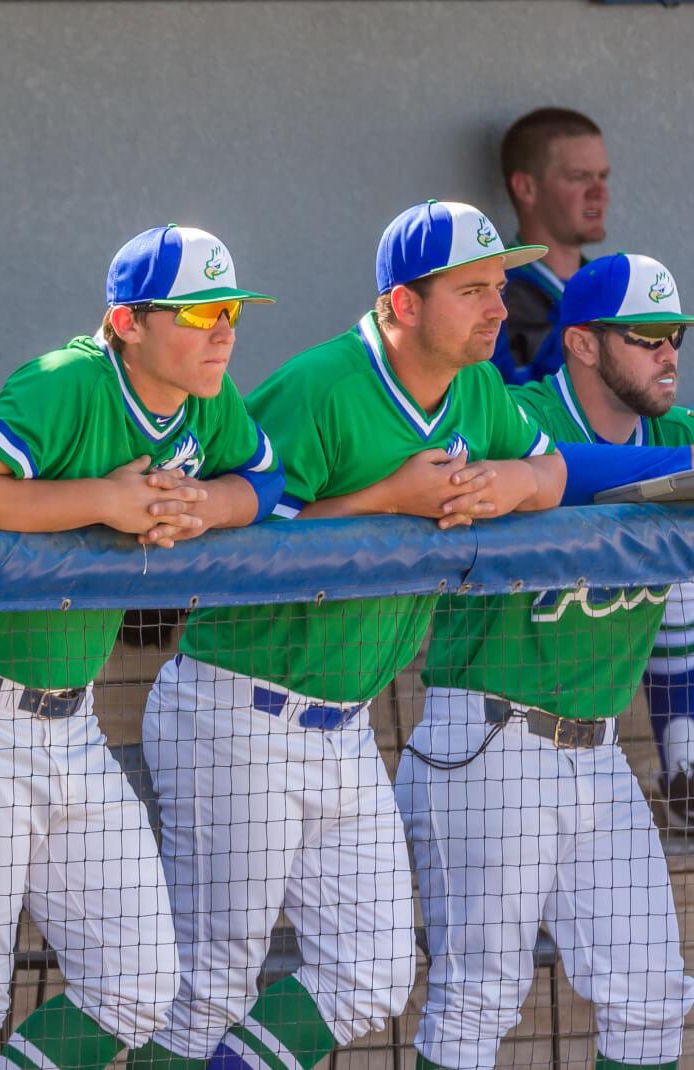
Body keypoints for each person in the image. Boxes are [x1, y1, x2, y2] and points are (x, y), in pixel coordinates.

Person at [131, 201, 567, 1070]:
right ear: (403, 305)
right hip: (237, 712)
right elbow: (233, 541)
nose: (497, 307)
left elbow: (553, 467)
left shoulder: (478, 384)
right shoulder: (321, 384)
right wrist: (388, 499)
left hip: (347, 724)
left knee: (371, 977)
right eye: (473, 289)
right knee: (209, 982)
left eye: (501, 286)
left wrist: (508, 481)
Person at [0, 225, 282, 1070]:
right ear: (127, 323)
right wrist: (103, 498)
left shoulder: (207, 397)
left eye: (230, 312)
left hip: (70, 720)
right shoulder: (67, 381)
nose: (223, 330)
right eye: (199, 313)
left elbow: (268, 479)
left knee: (139, 983)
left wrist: (210, 505)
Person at [403, 251, 694, 1070]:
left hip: (599, 753)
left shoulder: (677, 435)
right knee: (478, 999)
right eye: (645, 337)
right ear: (584, 345)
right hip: (492, 738)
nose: (668, 354)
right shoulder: (510, 415)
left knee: (651, 997)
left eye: (676, 336)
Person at [493, 107, 608, 384]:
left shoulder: (616, 283)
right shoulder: (492, 297)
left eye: (603, 176)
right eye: (579, 177)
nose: (600, 194)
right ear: (526, 189)